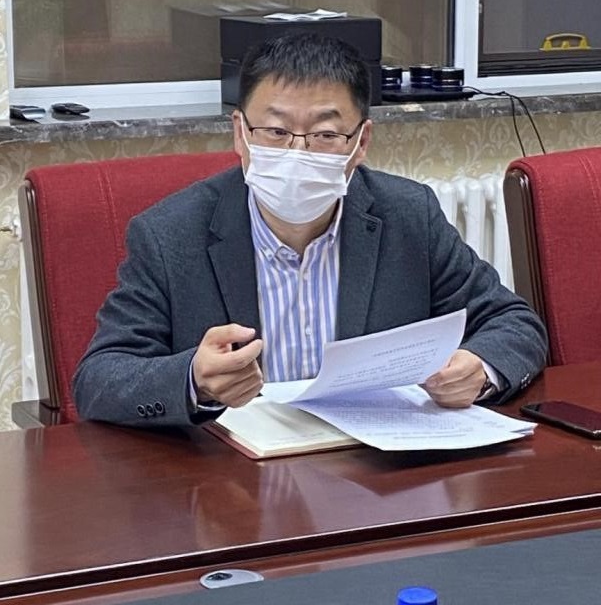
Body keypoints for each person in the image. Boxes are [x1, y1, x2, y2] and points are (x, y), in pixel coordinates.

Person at [73, 32, 547, 427]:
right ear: (240, 134)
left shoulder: (407, 217)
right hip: (234, 485)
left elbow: (513, 323)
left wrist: (480, 368)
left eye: (324, 135)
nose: (297, 153)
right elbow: (99, 379)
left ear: (361, 142)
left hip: (375, 477)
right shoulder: (170, 235)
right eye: (276, 132)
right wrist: (193, 379)